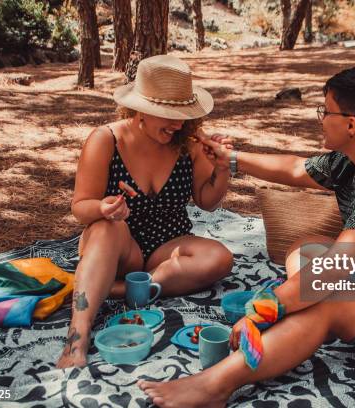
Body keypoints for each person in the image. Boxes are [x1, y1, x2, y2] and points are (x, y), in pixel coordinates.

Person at [137, 66, 355, 407]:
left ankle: (215, 386)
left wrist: (263, 310)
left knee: (322, 298)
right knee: (306, 248)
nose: (320, 118)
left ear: (350, 124)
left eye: (325, 111)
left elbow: (331, 271)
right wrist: (232, 158)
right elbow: (294, 169)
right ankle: (302, 319)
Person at [57, 55, 234, 368]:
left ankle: (115, 288)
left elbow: (207, 201)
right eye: (169, 114)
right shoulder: (105, 140)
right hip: (116, 244)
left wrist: (222, 169)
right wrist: (102, 208)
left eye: (183, 113)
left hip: (167, 244)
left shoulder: (188, 144)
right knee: (106, 227)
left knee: (220, 257)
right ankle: (77, 339)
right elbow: (80, 207)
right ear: (141, 109)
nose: (179, 123)